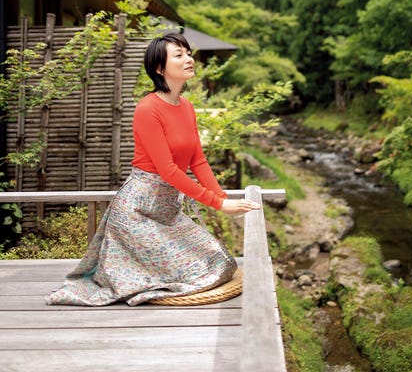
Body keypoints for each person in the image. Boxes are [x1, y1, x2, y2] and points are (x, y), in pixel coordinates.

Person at [46, 31, 259, 306]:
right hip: (137, 213)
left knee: (221, 263)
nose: (189, 59)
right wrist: (217, 204)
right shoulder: (147, 109)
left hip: (169, 212)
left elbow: (198, 161)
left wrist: (224, 200)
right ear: (160, 68)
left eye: (188, 53)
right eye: (179, 55)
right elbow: (169, 171)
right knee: (196, 272)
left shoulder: (187, 107)